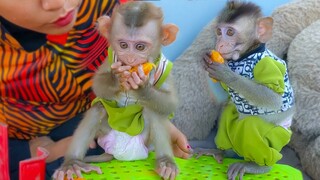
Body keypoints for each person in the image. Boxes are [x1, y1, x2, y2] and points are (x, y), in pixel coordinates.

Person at [0, 0, 192, 179]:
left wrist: (153, 121)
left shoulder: (121, 13)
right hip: (13, 137)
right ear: (105, 29)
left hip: (87, 119)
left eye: (139, 46)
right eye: (124, 45)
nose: (58, 3)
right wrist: (32, 152)